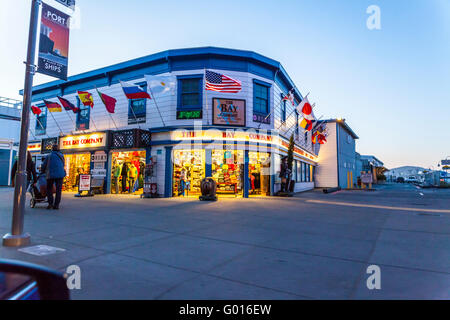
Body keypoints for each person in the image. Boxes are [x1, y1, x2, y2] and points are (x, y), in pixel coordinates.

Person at [41, 144, 66, 210]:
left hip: (50, 175)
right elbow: (63, 164)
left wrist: (42, 172)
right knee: (58, 190)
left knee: (49, 189)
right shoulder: (61, 156)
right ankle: (56, 205)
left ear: (52, 149)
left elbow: (44, 165)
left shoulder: (49, 156)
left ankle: (50, 204)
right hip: (60, 175)